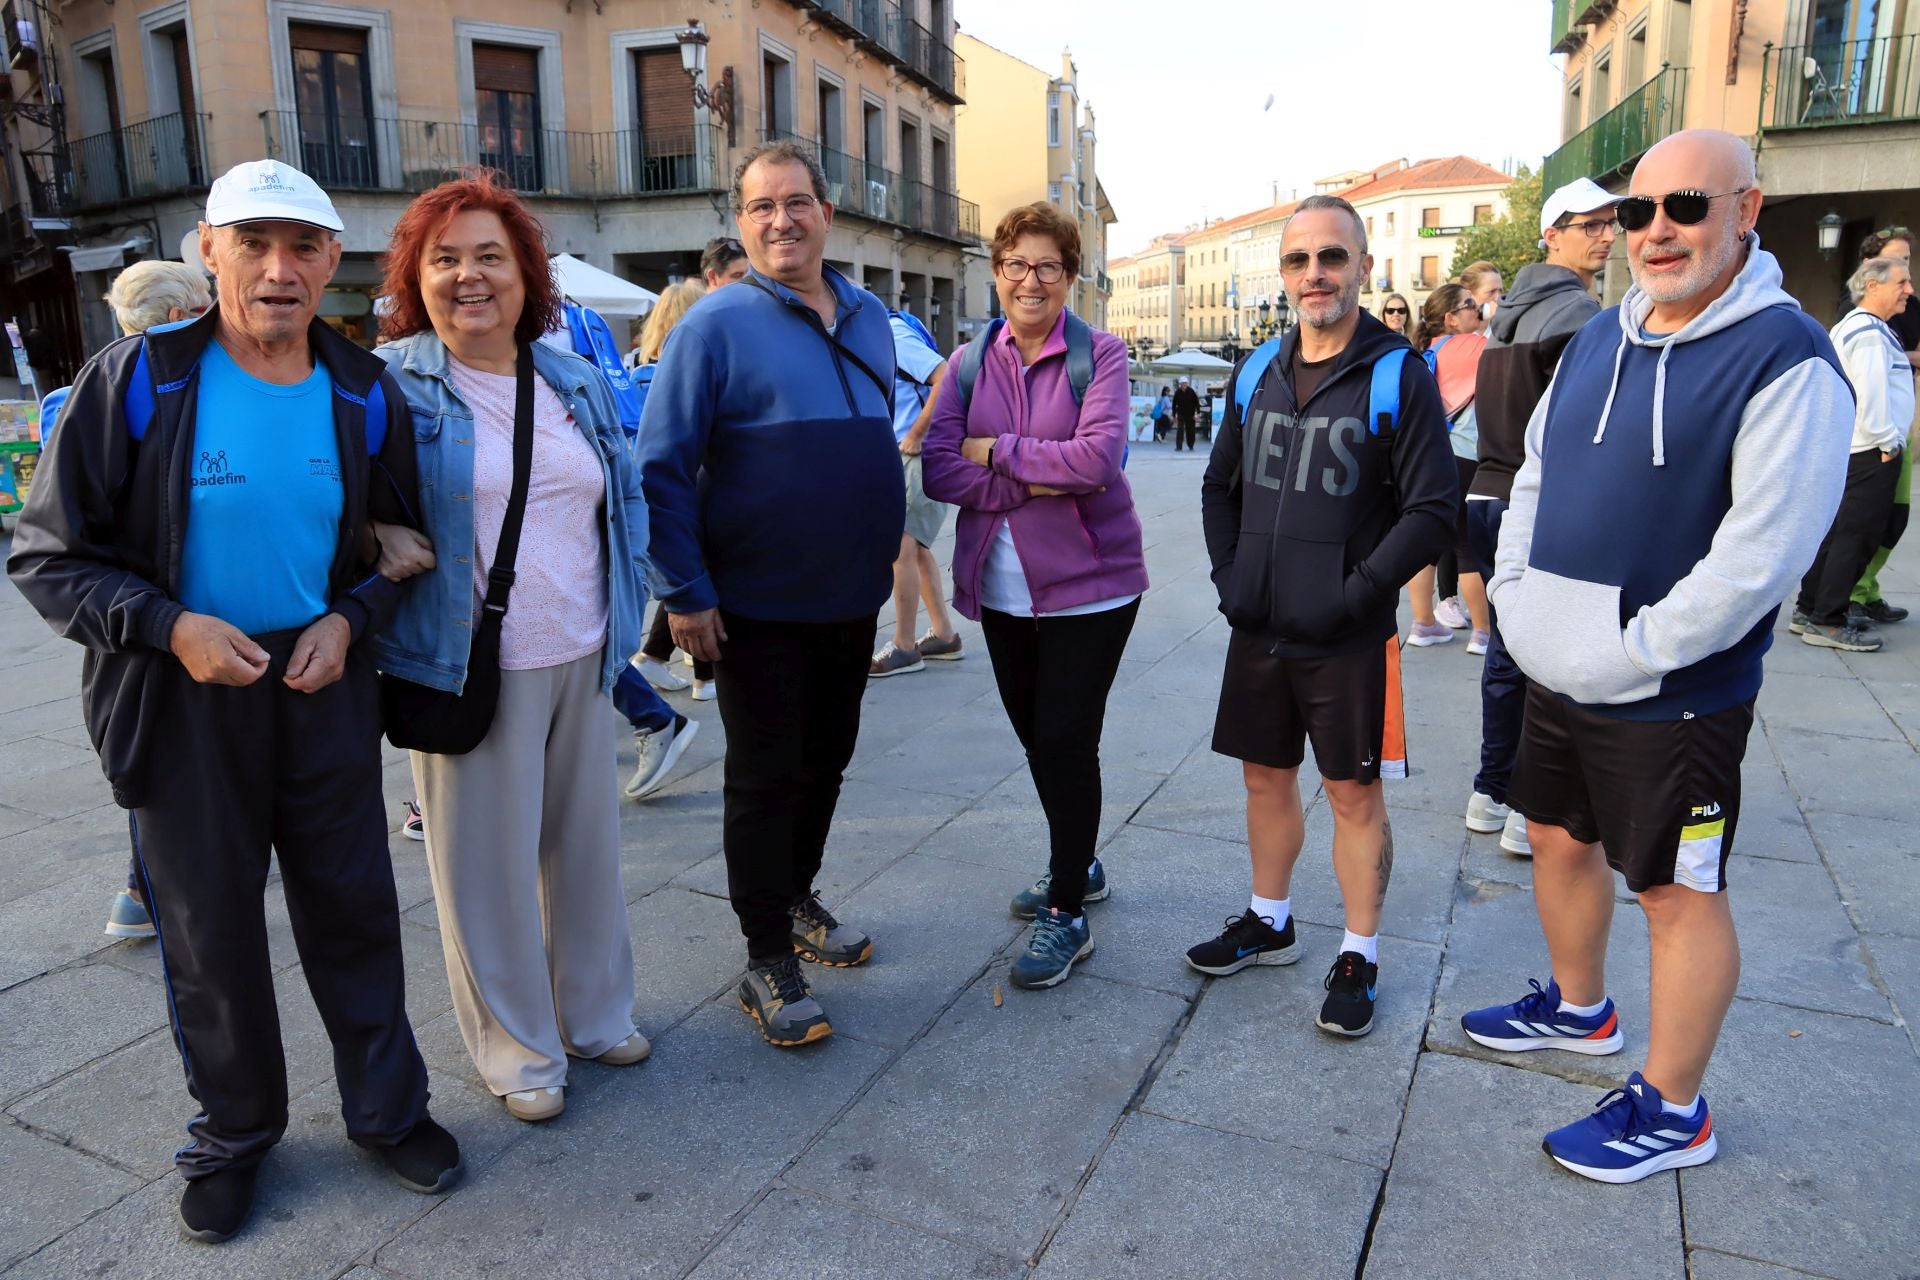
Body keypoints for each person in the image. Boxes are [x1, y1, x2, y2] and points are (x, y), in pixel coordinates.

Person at [7, 158, 461, 1243]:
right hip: (181, 694)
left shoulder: (361, 387)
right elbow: (46, 557)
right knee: (209, 935)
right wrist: (171, 627)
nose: (277, 268)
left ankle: (388, 1112)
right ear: (205, 252)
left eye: (302, 247)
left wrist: (348, 617)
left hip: (320, 686)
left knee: (352, 909)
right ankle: (233, 1134)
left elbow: (397, 548)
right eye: (251, 243)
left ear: (329, 265)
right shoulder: (139, 381)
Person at [1463, 130, 1854, 1183]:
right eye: (1637, 212)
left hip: (1675, 693)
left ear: (1747, 209)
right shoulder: (1601, 334)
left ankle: (1677, 1108)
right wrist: (1514, 592)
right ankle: (1580, 1008)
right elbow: (1536, 473)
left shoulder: (1788, 357)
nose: (1657, 230)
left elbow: (1761, 558)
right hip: (1558, 658)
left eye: (1685, 205)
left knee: (1677, 893)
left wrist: (1633, 650)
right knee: (1552, 831)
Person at [370, 171, 651, 1123]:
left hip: (583, 646)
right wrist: (375, 535)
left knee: (587, 851)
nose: (469, 277)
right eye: (445, 259)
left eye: (491, 256)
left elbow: (621, 495)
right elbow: (341, 497)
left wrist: (634, 611)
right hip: (466, 663)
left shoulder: (567, 375)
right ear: (417, 276)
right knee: (484, 874)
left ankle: (596, 1014)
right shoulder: (392, 386)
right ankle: (519, 1051)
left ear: (528, 275)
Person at [639, 139, 901, 1048]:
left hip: (850, 593)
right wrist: (685, 589)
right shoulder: (712, 326)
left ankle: (794, 897)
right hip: (751, 601)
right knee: (761, 777)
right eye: (760, 208)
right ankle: (764, 955)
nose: (780, 220)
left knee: (826, 761)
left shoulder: (870, 315)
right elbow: (661, 467)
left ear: (827, 214)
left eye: (796, 203)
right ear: (741, 223)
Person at [1195, 194, 1455, 1037]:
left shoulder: (1397, 374)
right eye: (1300, 259)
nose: (1317, 274)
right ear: (1283, 274)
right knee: (1264, 777)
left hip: (1347, 638)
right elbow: (1218, 488)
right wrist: (1231, 579)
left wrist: (1356, 593)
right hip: (1258, 626)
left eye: (1333, 257)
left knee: (1353, 794)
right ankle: (1270, 920)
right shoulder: (1255, 372)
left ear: (1363, 268)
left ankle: (1360, 951)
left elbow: (1433, 509)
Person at [923, 201, 1147, 989]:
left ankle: (1066, 912)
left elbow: (1096, 464)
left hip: (1092, 589)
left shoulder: (1104, 356)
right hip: (1003, 590)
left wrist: (999, 453)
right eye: (1016, 264)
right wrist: (1032, 473)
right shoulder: (967, 362)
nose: (1030, 280)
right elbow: (938, 467)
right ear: (996, 272)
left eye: (1048, 266)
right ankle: (1078, 865)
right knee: (1037, 738)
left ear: (1070, 277)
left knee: (1062, 739)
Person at [30, 260, 214, 942]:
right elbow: (51, 547)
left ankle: (141, 886)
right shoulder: (136, 380)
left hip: (128, 618)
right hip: (160, 615)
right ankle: (149, 882)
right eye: (204, 303)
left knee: (151, 747)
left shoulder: (74, 392)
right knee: (167, 749)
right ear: (176, 316)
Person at [1462, 176, 1616, 858]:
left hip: (1488, 494)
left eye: (1613, 223)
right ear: (1553, 234)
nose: (1608, 235)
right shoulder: (1582, 316)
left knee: (1506, 653)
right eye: (1592, 224)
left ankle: (1494, 791)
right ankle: (1532, 805)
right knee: (1548, 661)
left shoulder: (1508, 312)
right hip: (1538, 501)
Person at [1791, 256, 1914, 652]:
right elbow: (1871, 390)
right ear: (1872, 286)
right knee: (1855, 537)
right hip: (1870, 451)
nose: (1909, 291)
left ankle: (1810, 610)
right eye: (1902, 282)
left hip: (1855, 448)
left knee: (1838, 533)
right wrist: (1887, 441)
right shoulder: (1869, 333)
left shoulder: (1860, 327)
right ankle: (1827, 619)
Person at [635, 279, 734, 702]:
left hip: (649, 491)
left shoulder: (639, 367)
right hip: (691, 485)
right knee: (698, 573)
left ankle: (656, 659)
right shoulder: (699, 352)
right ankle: (703, 676)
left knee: (684, 575)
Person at [871, 307, 963, 676]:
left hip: (916, 456)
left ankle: (905, 647)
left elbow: (946, 377)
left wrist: (916, 434)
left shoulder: (892, 333)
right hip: (910, 456)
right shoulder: (882, 332)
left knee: (901, 550)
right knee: (916, 549)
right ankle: (943, 634)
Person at [1403, 284, 1487, 648]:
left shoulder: (1428, 350)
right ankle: (1484, 633)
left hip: (1430, 454)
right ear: (1450, 318)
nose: (1478, 310)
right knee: (1468, 545)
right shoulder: (1469, 345)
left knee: (1427, 540)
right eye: (1470, 305)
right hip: (1465, 452)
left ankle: (1423, 624)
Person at [1847, 227, 1920, 627]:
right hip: (1875, 437)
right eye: (1895, 261)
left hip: (1897, 426)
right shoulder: (1859, 312)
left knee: (1895, 515)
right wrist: (1883, 439)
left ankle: (1866, 589)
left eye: (1907, 260)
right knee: (1867, 520)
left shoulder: (1909, 305)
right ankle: (1850, 594)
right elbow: (1869, 381)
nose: (1905, 275)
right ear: (1869, 269)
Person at [1171, 375, 1200, 451]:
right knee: (1180, 430)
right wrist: (1174, 415)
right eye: (1182, 384)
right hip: (1181, 414)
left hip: (1190, 414)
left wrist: (1198, 413)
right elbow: (1174, 404)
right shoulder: (1177, 392)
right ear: (1180, 384)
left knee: (1190, 430)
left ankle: (1191, 445)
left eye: (1185, 383)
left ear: (1187, 384)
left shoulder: (1191, 391)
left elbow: (1197, 402)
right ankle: (1179, 446)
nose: (1184, 385)